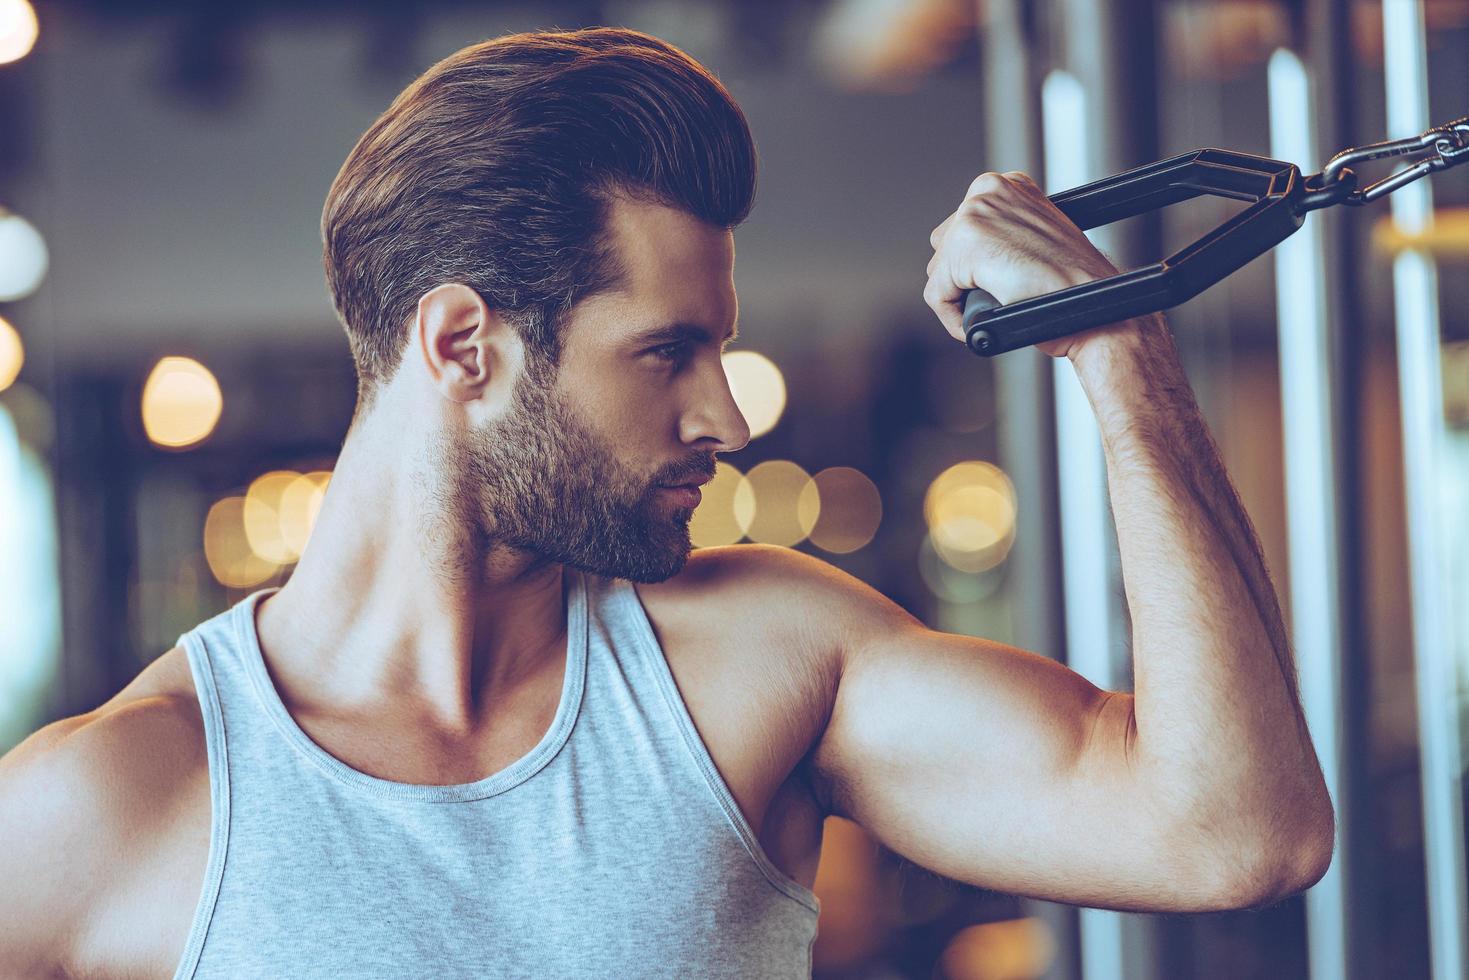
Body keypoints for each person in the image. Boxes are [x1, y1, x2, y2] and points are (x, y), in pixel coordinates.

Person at [0, 26, 1333, 979]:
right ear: (464, 347)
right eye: (664, 352)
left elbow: (1236, 834)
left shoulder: (760, 666)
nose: (729, 417)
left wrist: (1119, 352)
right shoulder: (114, 803)